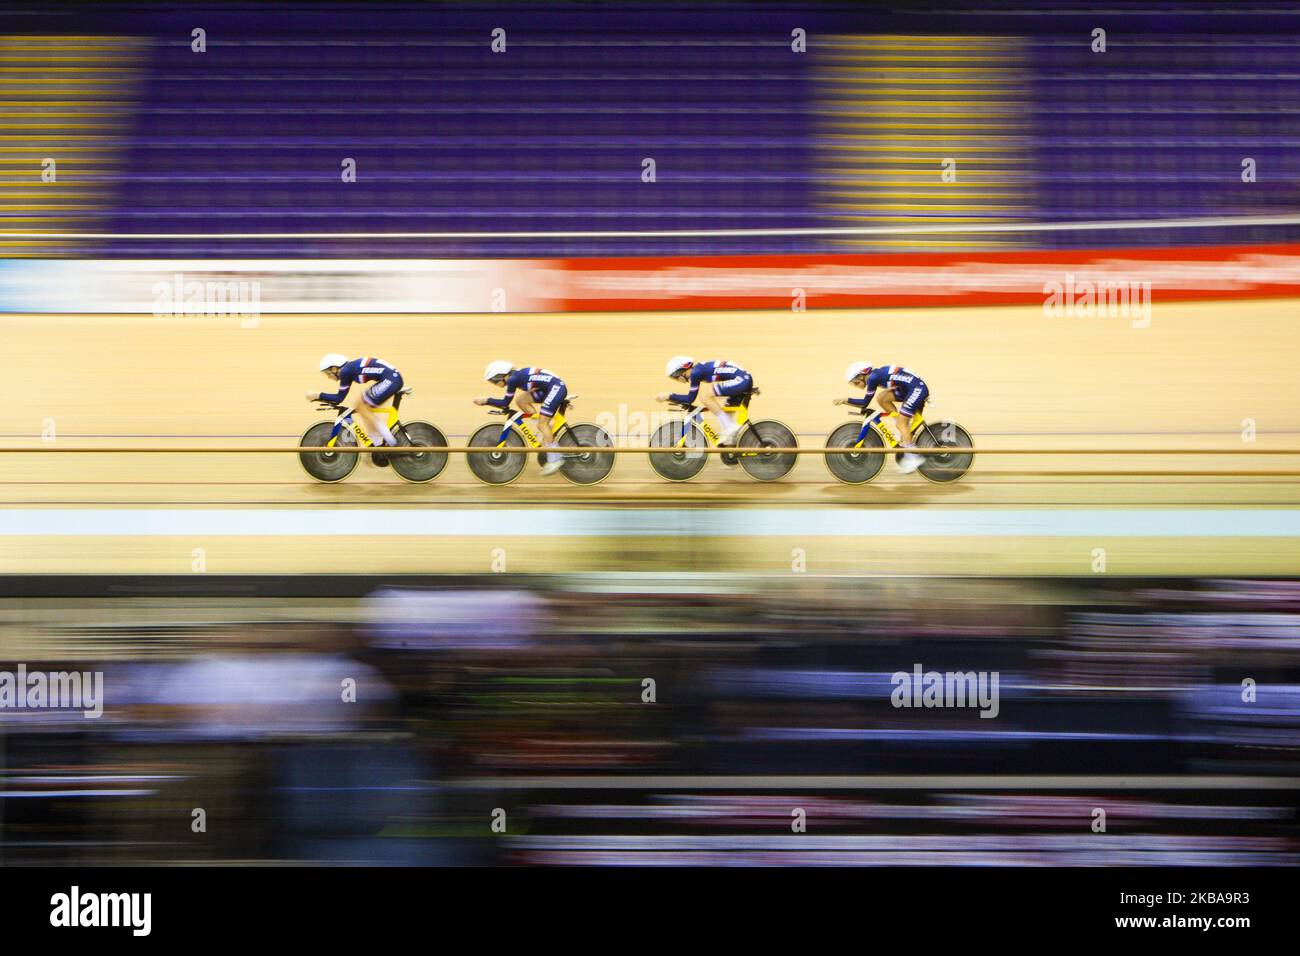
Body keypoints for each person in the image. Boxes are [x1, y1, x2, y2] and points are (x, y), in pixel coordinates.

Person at [308, 353, 404, 466]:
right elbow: (340, 398)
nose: (328, 377)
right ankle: (376, 446)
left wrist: (318, 395)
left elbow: (339, 398)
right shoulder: (348, 370)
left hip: (391, 380)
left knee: (362, 408)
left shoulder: (345, 372)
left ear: (334, 368)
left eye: (328, 373)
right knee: (361, 406)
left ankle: (392, 444)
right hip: (392, 378)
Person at [475, 361, 568, 476]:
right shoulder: (515, 376)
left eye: (493, 382)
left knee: (542, 424)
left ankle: (555, 459)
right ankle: (546, 431)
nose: (495, 384)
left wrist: (486, 400)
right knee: (521, 401)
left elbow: (505, 403)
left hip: (555, 388)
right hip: (550, 388)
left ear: (500, 376)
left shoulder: (512, 380)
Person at [835, 362, 928, 474]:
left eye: (855, 383)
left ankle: (912, 457)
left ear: (861, 375)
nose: (856, 385)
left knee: (901, 423)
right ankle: (902, 429)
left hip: (916, 389)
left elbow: (864, 403)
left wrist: (845, 400)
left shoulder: (873, 378)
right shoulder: (875, 375)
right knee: (882, 398)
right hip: (910, 388)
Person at [656, 356, 752, 445]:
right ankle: (732, 442)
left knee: (705, 396)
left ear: (680, 372)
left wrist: (669, 396)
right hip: (743, 379)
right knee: (727, 414)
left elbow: (690, 399)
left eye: (675, 377)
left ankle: (730, 427)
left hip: (741, 380)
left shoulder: (695, 373)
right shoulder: (698, 369)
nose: (676, 380)